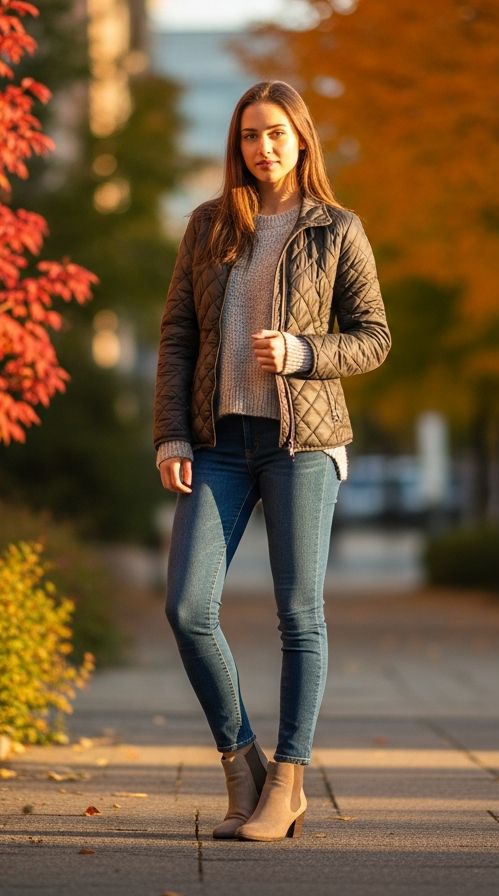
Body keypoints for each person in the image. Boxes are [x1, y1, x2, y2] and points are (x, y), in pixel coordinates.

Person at [153, 80, 390, 842]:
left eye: (278, 134)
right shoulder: (208, 227)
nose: (264, 147)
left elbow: (374, 337)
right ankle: (241, 764)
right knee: (188, 609)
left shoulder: (337, 229)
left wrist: (303, 351)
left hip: (303, 443)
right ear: (237, 144)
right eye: (251, 134)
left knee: (299, 614)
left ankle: (288, 780)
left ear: (302, 140)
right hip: (218, 443)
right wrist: (171, 435)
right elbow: (178, 339)